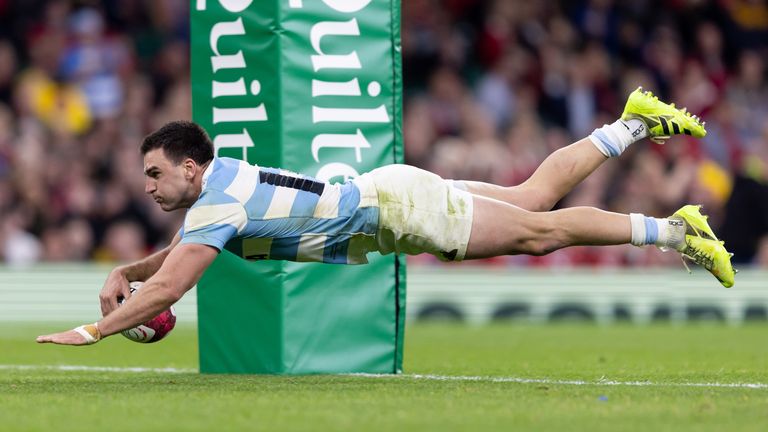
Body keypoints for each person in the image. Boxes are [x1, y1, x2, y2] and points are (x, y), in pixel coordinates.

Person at [37, 87, 735, 346]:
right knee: (528, 200)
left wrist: (95, 329)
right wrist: (127, 267)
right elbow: (173, 256)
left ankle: (675, 231)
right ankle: (634, 124)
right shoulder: (220, 183)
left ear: (190, 167)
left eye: (156, 173)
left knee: (539, 230)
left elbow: (171, 289)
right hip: (386, 193)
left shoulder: (215, 203)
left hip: (396, 211)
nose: (149, 186)